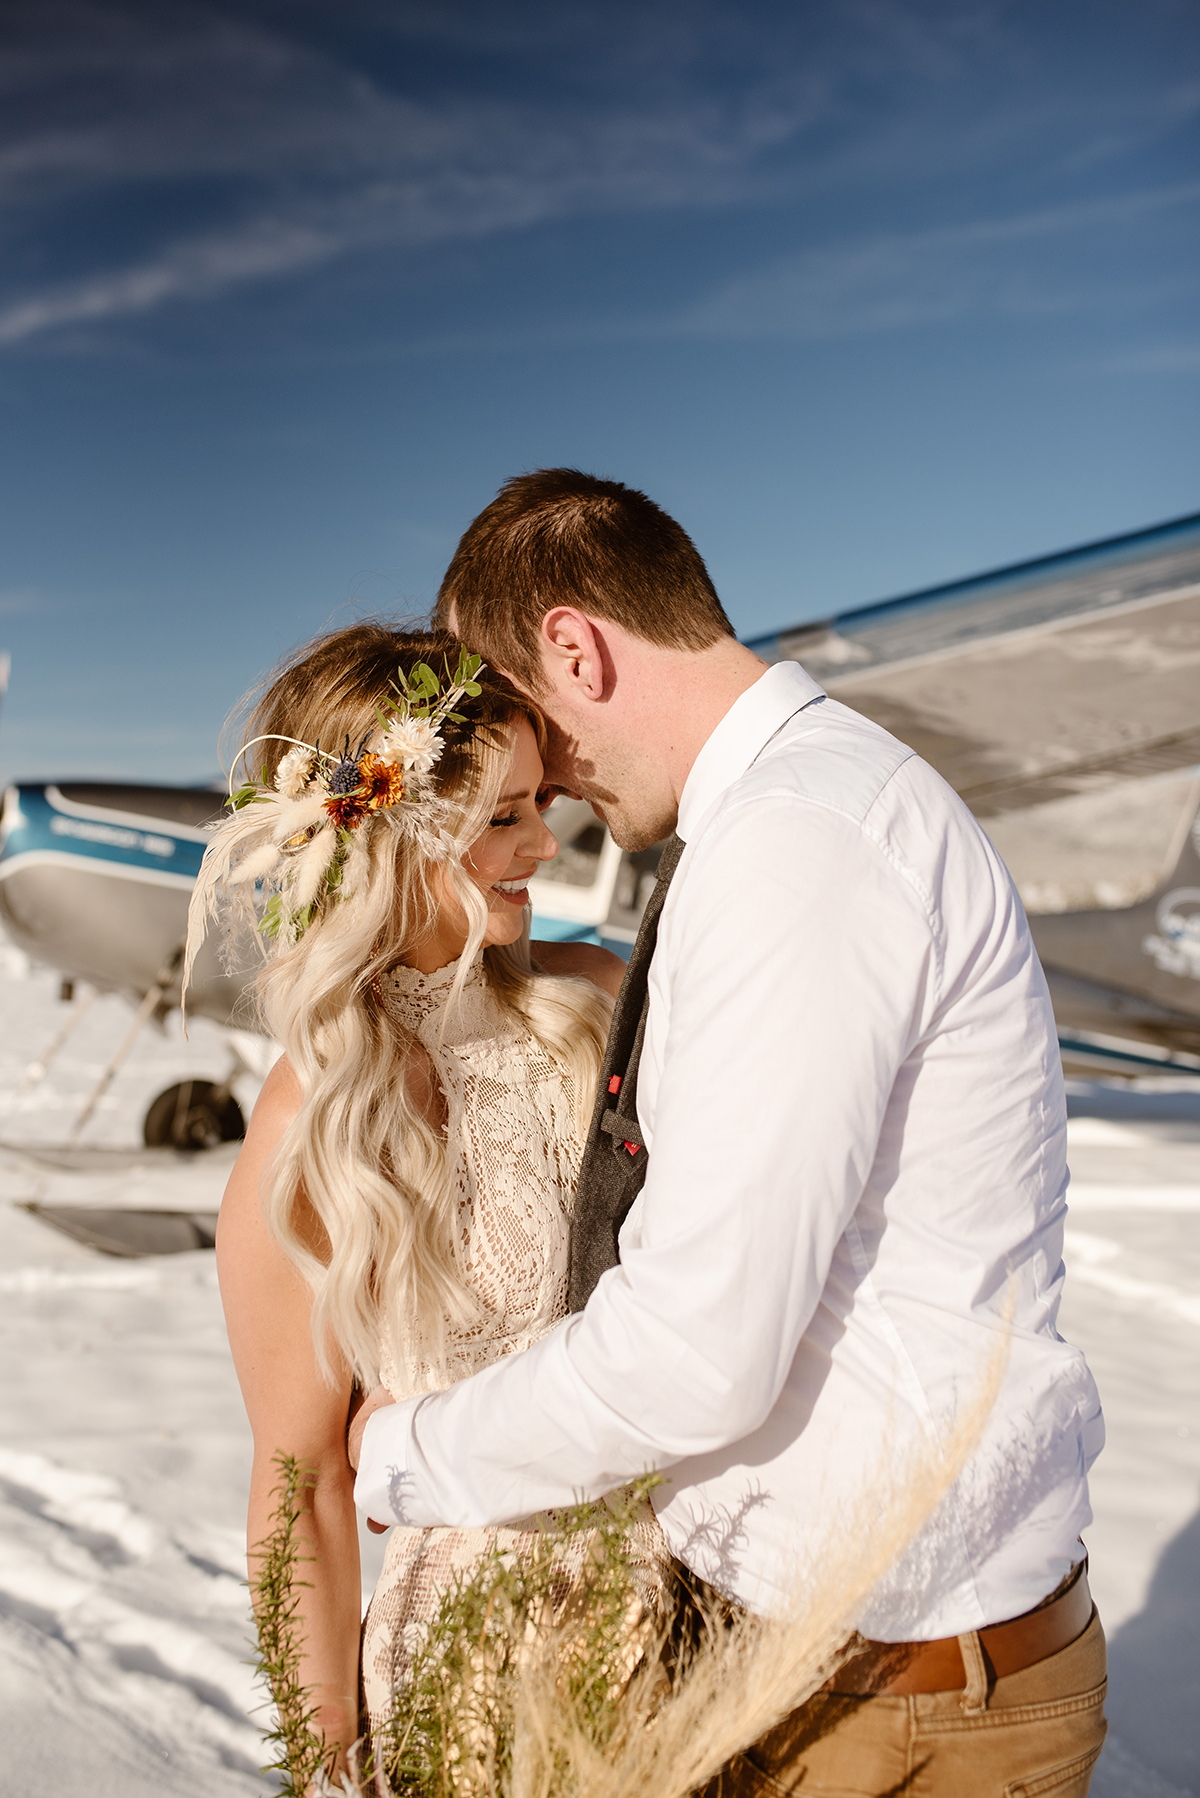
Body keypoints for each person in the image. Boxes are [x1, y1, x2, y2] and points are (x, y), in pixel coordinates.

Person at [351, 471, 1109, 1795]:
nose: (547, 783)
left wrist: (406, 1452)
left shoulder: (794, 843)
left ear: (578, 648)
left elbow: (699, 1352)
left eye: (531, 717)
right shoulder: (796, 815)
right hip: (828, 1668)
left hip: (896, 1708)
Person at [187, 622, 672, 1783]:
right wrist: (325, 1768)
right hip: (470, 1677)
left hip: (682, 1613)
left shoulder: (599, 1000)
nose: (545, 846)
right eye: (504, 815)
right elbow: (298, 1492)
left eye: (538, 803)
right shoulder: (320, 1118)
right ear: (388, 835)